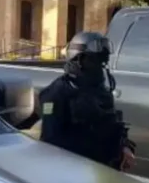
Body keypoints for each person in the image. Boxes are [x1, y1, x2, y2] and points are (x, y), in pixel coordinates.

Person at [39, 31, 136, 171]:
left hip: (102, 170)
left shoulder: (101, 92)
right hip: (73, 170)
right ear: (78, 60)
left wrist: (124, 146)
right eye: (94, 61)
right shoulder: (57, 93)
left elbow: (110, 125)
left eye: (102, 62)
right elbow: (51, 141)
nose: (98, 67)